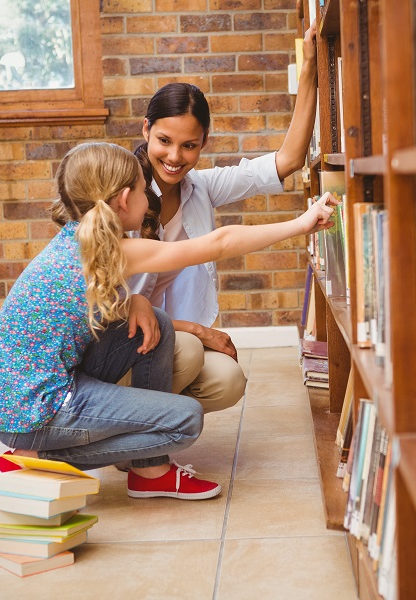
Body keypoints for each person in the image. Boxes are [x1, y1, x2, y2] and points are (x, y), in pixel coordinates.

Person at [0, 142, 337, 500]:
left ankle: (150, 472)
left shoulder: (78, 241)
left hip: (28, 399)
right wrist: (302, 223)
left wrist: (135, 300)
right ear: (123, 199)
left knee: (158, 323)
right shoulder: (113, 250)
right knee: (185, 419)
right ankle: (34, 460)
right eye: (142, 189)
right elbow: (222, 243)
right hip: (37, 412)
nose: (150, 199)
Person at [126, 21, 319, 415]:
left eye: (189, 145)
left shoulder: (203, 187)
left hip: (168, 342)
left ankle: (143, 425)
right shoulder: (121, 196)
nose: (175, 157)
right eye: (164, 141)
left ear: (204, 143)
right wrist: (197, 330)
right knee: (193, 349)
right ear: (146, 130)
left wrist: (309, 73)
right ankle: (134, 435)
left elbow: (287, 161)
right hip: (122, 342)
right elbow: (110, 310)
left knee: (227, 380)